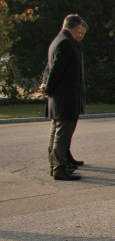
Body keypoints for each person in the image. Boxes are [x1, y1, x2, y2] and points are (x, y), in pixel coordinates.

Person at [43, 15, 87, 181]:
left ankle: (55, 165)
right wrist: (48, 88)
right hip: (65, 97)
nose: (80, 35)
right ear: (76, 28)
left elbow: (49, 67)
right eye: (80, 31)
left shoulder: (57, 41)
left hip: (59, 97)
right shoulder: (66, 43)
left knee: (56, 133)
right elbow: (55, 70)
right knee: (61, 135)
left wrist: (46, 86)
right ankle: (59, 169)